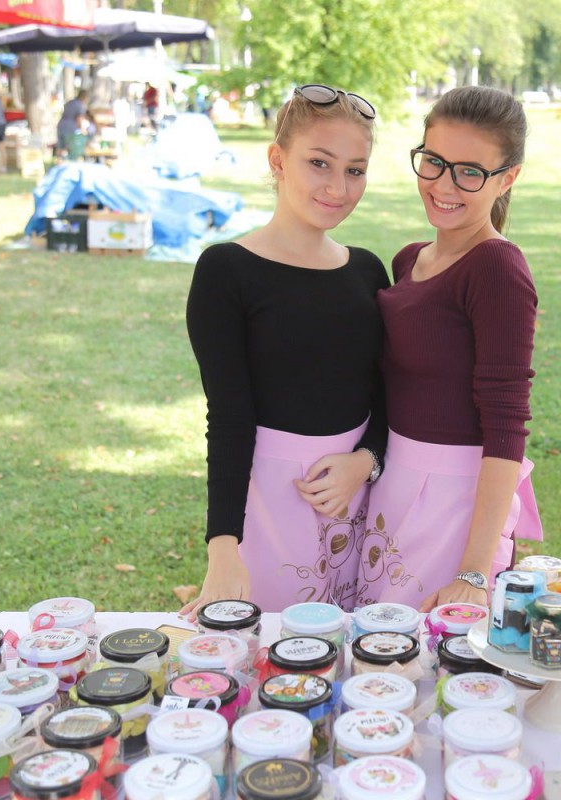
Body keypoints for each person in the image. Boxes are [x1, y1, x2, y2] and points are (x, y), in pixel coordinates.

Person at [180, 84, 386, 614]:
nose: (338, 187)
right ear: (278, 160)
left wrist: (365, 462)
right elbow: (228, 415)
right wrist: (224, 547)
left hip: (361, 505)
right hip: (270, 504)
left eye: (355, 170)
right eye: (319, 163)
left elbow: (388, 394)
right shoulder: (226, 270)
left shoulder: (367, 271)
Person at [356, 86, 541, 611]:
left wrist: (474, 571)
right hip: (392, 488)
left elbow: (506, 426)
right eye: (434, 161)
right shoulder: (408, 260)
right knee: (374, 641)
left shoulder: (497, 269)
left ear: (507, 178)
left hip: (456, 504)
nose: (443, 185)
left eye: (469, 172)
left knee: (425, 644)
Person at [56, 91, 88, 157]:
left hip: (61, 125)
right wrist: (83, 129)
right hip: (70, 128)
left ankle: (59, 160)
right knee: (69, 148)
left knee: (60, 147)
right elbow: (79, 118)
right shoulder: (79, 104)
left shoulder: (70, 102)